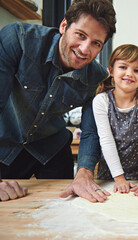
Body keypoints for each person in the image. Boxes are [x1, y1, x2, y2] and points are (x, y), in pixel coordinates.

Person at [0, 0, 116, 201]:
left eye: (96, 43)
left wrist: (84, 173)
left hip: (51, 149)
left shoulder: (96, 78)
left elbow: (89, 131)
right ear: (64, 26)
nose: (84, 49)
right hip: (5, 143)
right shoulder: (17, 39)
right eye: (80, 35)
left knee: (62, 210)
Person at [93, 44, 138, 196]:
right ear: (111, 70)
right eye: (123, 67)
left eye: (137, 70)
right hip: (110, 176)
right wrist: (119, 178)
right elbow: (106, 141)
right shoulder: (101, 100)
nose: (130, 74)